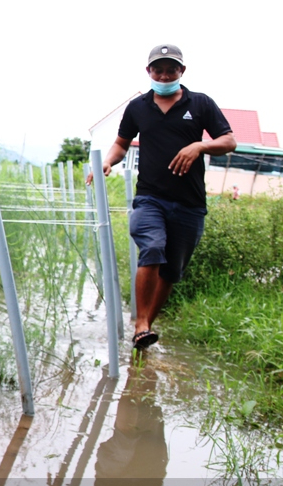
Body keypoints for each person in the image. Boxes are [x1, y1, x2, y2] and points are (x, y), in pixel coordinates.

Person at [88, 44, 236, 349]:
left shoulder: (201, 104)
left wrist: (200, 146)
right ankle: (140, 322)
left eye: (171, 69)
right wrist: (107, 161)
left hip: (190, 203)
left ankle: (145, 328)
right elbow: (121, 144)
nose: (165, 75)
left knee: (172, 270)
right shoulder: (138, 108)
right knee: (152, 246)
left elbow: (228, 140)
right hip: (150, 198)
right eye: (159, 69)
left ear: (182, 72)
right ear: (149, 71)